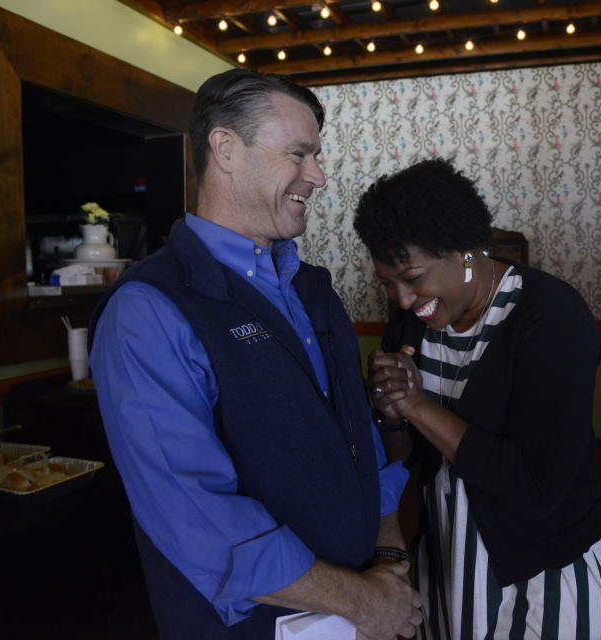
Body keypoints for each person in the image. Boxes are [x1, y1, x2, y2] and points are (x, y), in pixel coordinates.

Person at [89, 69, 421, 640]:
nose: (317, 176)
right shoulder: (148, 310)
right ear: (225, 148)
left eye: (316, 155)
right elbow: (196, 515)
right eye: (298, 154)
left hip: (363, 604)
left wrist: (387, 556)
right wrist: (361, 601)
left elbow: (359, 439)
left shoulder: (313, 287)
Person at [354, 158, 601, 639]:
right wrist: (390, 409)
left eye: (412, 278)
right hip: (450, 554)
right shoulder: (412, 324)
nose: (403, 300)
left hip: (547, 567)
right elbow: (407, 458)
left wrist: (417, 405)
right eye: (387, 284)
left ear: (464, 249)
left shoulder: (549, 318)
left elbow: (538, 486)